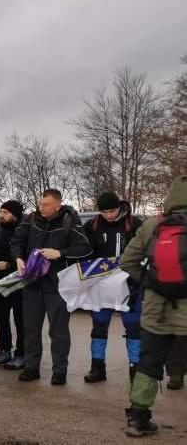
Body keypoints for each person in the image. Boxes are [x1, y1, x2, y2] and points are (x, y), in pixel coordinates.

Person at [119, 175, 187, 437]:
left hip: (156, 312)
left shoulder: (152, 226)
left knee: (149, 362)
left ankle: (138, 418)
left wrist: (150, 284)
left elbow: (127, 262)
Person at [11, 189, 92, 385]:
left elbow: (85, 248)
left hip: (57, 285)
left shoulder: (70, 220)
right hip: (32, 283)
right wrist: (18, 258)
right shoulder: (31, 219)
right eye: (40, 204)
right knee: (30, 328)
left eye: (46, 205)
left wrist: (60, 253)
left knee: (58, 331)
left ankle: (59, 371)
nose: (41, 208)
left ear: (58, 205)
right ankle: (31, 367)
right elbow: (16, 241)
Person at [83, 192, 144, 384]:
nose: (108, 215)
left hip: (130, 284)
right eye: (104, 211)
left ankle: (136, 370)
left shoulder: (135, 224)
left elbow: (146, 250)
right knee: (99, 325)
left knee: (134, 327)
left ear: (120, 207)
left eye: (112, 211)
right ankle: (97, 368)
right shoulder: (92, 225)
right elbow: (84, 252)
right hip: (102, 284)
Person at [0, 200, 26, 370]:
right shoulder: (1, 229)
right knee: (1, 317)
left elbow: (27, 256)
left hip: (20, 283)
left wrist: (9, 265)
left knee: (20, 319)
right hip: (2, 282)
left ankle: (21, 354)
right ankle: (4, 350)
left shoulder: (25, 229)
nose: (1, 215)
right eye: (1, 212)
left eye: (5, 212)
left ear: (15, 215)